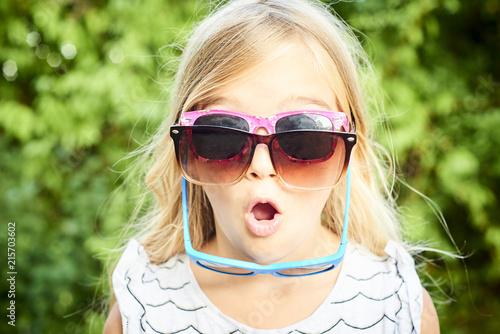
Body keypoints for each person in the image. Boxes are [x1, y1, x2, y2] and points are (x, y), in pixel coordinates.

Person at [104, 0, 439, 333]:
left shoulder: (397, 307)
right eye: (222, 134)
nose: (261, 167)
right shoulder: (142, 309)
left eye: (304, 137)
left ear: (350, 149)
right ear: (185, 148)